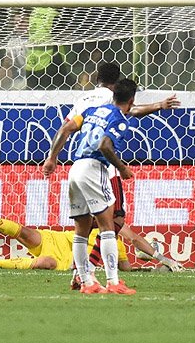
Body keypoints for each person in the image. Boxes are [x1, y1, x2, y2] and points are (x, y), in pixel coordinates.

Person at [41, 61, 182, 285]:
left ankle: (81, 273)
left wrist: (52, 157)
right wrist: (159, 105)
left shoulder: (84, 100)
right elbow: (130, 111)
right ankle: (101, 274)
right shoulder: (112, 99)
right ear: (116, 83)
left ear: (97, 78)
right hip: (103, 167)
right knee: (114, 220)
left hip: (77, 164)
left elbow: (65, 128)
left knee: (84, 225)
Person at [53, 76, 139, 296]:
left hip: (75, 169)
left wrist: (51, 158)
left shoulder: (92, 111)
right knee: (107, 227)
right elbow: (104, 145)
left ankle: (86, 282)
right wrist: (121, 168)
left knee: (81, 231)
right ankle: (113, 282)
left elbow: (65, 129)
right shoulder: (119, 118)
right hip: (93, 168)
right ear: (131, 100)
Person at [0, 210, 177, 274]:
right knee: (25, 233)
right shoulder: (90, 217)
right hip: (57, 240)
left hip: (67, 260)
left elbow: (127, 264)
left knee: (42, 263)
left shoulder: (116, 235)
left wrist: (156, 263)